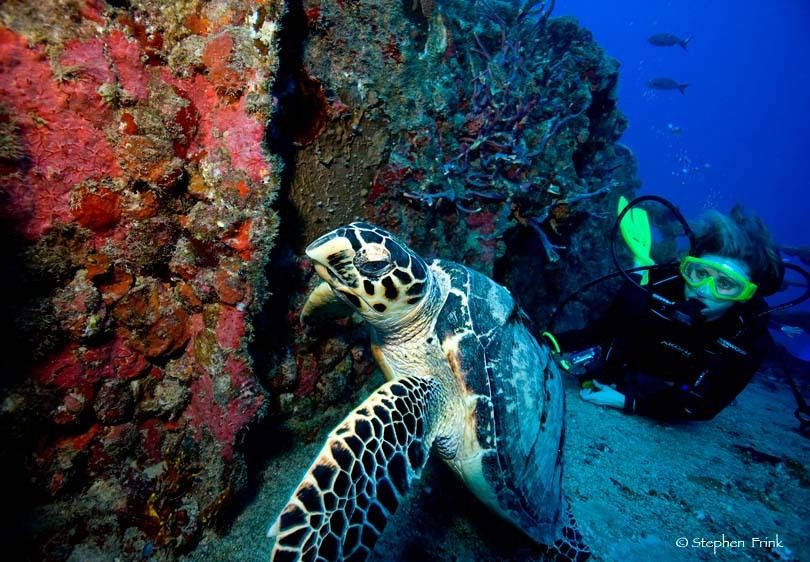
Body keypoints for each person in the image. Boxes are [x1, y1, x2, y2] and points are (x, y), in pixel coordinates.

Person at [555, 204, 784, 421]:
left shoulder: (747, 334)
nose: (703, 290)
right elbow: (602, 329)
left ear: (745, 294)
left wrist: (631, 403)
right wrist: (550, 341)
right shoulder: (660, 285)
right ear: (687, 267)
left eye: (725, 284)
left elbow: (705, 406)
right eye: (699, 273)